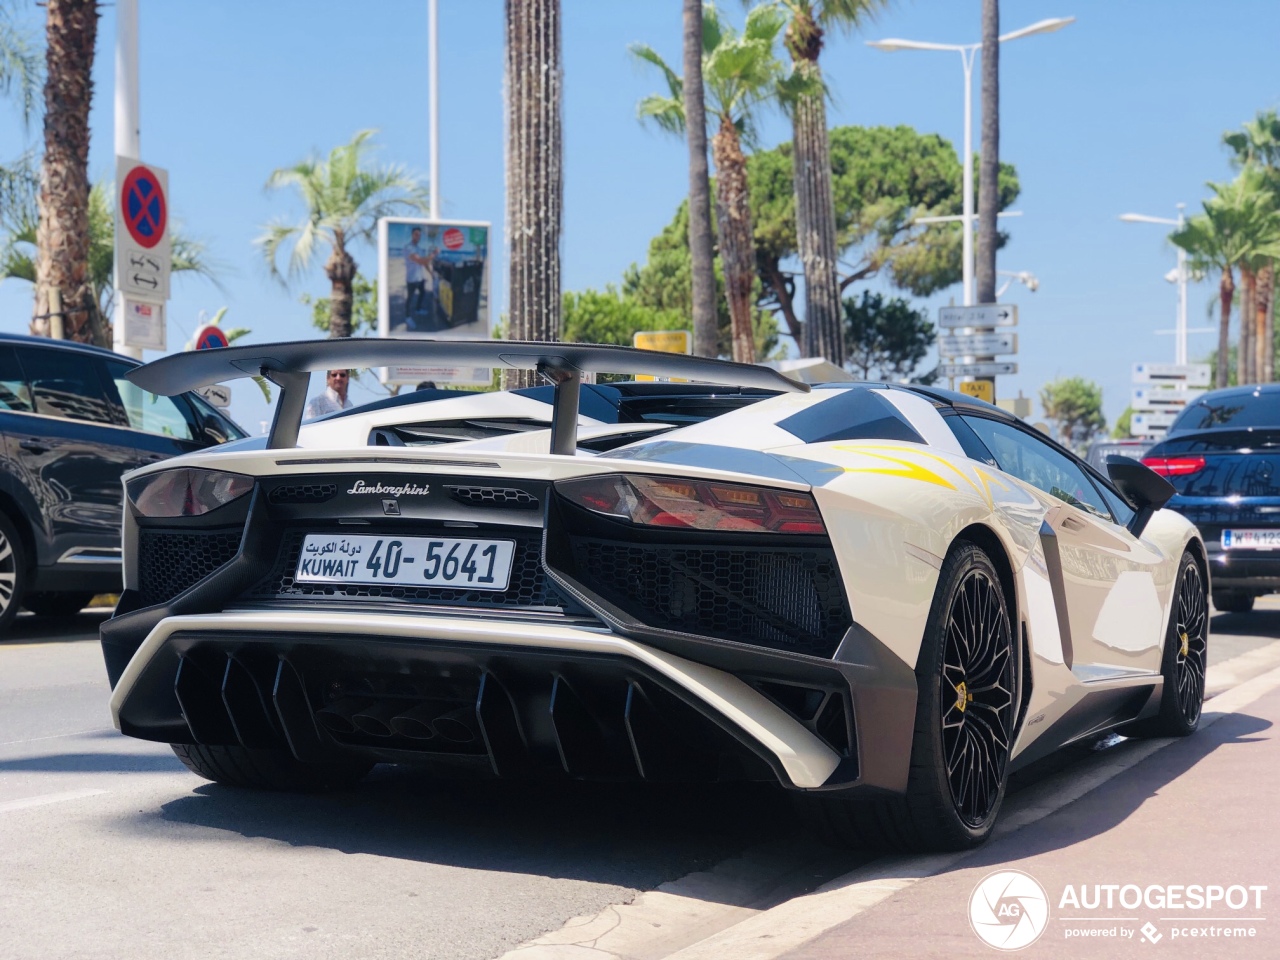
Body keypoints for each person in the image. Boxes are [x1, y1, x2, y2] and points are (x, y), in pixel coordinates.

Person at [404, 227, 435, 326]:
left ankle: (418, 309)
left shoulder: (419, 248)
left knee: (422, 293)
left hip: (420, 278)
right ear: (412, 235)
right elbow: (421, 260)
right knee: (410, 298)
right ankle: (408, 318)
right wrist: (433, 254)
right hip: (412, 278)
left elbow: (424, 263)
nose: (418, 236)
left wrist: (431, 273)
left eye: (419, 235)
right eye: (416, 234)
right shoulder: (408, 247)